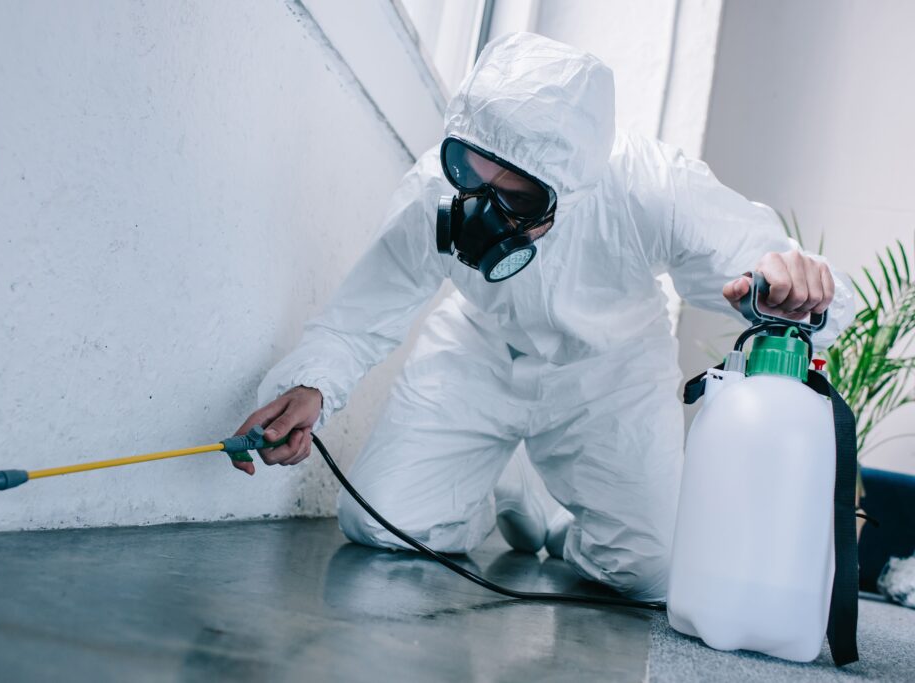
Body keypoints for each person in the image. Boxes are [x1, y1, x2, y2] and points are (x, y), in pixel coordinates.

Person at [232, 32, 855, 602]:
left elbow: (765, 265)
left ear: (573, 187)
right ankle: (488, 485)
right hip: (478, 353)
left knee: (653, 574)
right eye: (470, 171)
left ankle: (547, 513)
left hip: (609, 373)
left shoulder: (651, 187)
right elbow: (359, 315)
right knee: (378, 523)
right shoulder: (432, 193)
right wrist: (312, 384)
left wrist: (793, 289)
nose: (481, 210)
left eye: (520, 198)